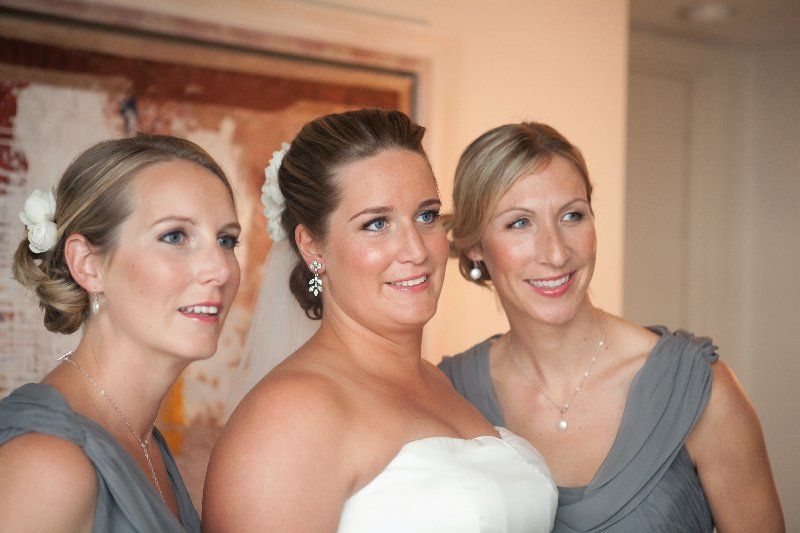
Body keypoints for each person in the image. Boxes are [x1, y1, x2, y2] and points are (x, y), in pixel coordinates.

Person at [203, 109, 557, 532]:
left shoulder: (441, 383)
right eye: (376, 224)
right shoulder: (288, 418)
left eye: (426, 216)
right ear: (313, 247)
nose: (415, 250)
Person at [438, 121, 785, 532]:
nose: (555, 252)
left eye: (572, 215)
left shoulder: (697, 389)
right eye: (519, 223)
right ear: (475, 245)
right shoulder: (448, 394)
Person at [0, 134, 241, 532]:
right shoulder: (48, 465)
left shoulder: (143, 440)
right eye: (175, 236)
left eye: (227, 240)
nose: (220, 269)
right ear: (88, 265)